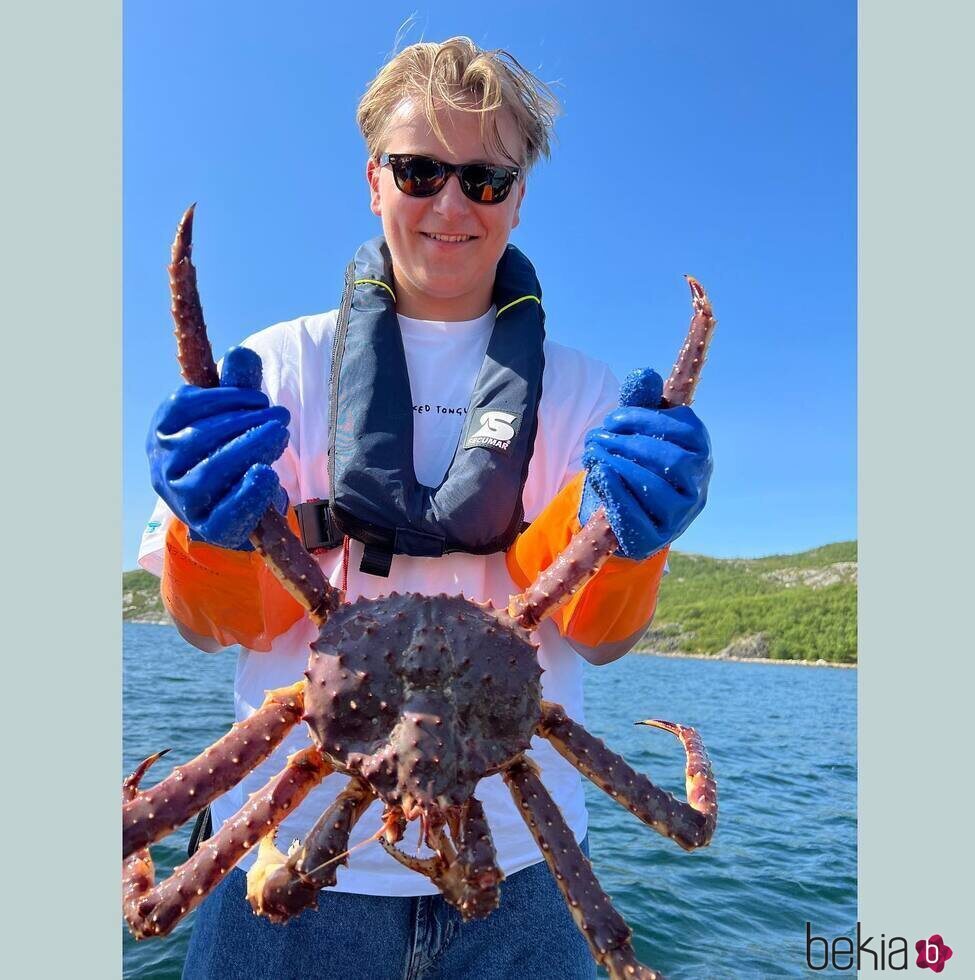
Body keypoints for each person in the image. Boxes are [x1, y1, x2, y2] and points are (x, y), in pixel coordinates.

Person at [138, 36, 712, 980]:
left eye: (487, 178)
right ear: (375, 181)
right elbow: (206, 631)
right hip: (280, 859)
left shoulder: (588, 395)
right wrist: (206, 539)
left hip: (525, 883)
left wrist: (638, 543)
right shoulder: (275, 369)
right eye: (419, 171)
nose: (451, 203)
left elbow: (600, 640)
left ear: (520, 195)